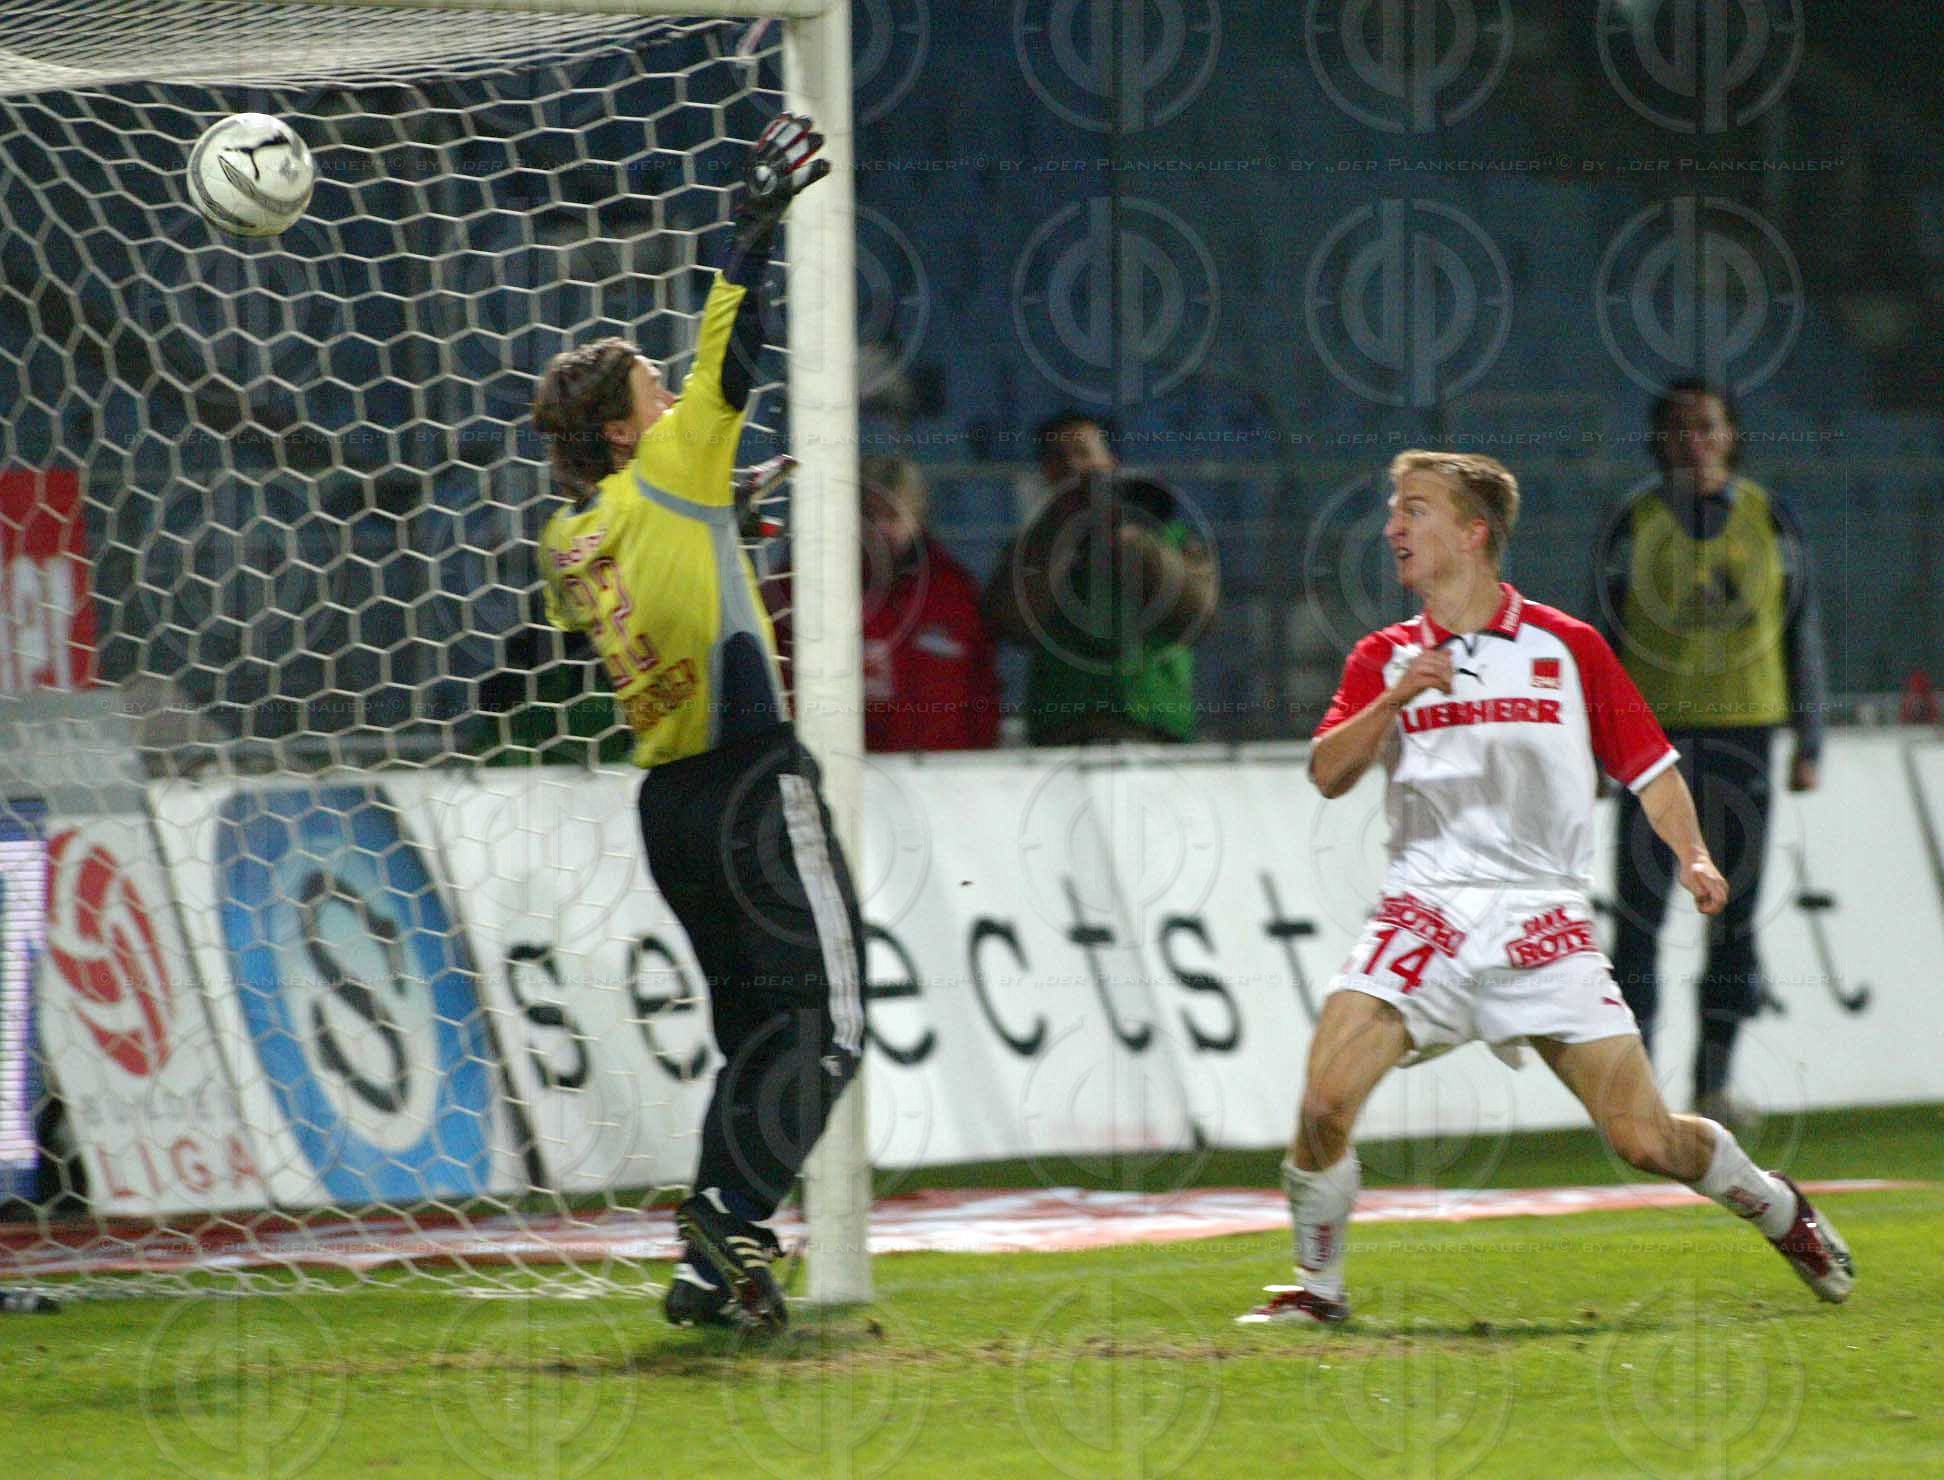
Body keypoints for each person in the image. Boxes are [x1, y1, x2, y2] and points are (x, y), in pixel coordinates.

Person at [1241, 450, 1853, 1326]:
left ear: (1474, 531)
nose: (1393, 529)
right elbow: (1326, 772)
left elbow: (1652, 768)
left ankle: (1779, 1208)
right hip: (1426, 907)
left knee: (1647, 1141)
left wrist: (1694, 855)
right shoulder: (1383, 656)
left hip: (1540, 916)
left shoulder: (1568, 648)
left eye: (1414, 511)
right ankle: (1319, 1292)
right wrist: (1394, 701)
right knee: (1325, 1101)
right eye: (1393, 512)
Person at [529, 113, 861, 1334]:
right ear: (625, 429)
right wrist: (751, 227)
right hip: (750, 779)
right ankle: (726, 1225)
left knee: (755, 1035)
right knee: (827, 1027)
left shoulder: (569, 536)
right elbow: (731, 357)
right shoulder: (673, 460)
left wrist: (723, 523)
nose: (672, 400)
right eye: (650, 395)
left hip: (669, 806)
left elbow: (629, 589)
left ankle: (709, 1274)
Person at [1597, 380, 1827, 1127]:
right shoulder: (1633, 525)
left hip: (1746, 738)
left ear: (1730, 437)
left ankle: (1712, 1085)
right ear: (1660, 441)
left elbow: (1803, 631)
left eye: (1709, 427)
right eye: (1680, 430)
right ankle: (1636, 1097)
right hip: (1652, 745)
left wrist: (1810, 735)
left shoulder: (1771, 519)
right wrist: (1598, 746)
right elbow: (1598, 647)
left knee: (1735, 921)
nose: (1695, 442)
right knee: (1638, 923)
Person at [982, 412, 1217, 745]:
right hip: (1064, 730)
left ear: (1111, 462)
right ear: (1046, 474)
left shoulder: (1168, 537)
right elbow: (1010, 624)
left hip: (1152, 726)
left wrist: (1138, 545)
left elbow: (1199, 616)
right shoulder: (1030, 548)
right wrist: (1057, 543)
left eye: (1083, 454)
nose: (1073, 468)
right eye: (1058, 459)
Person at [859, 453, 1000, 751]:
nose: (882, 529)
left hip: (944, 777)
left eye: (893, 516)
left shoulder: (953, 590)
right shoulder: (812, 590)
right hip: (851, 776)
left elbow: (983, 689)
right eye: (870, 517)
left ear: (917, 516)